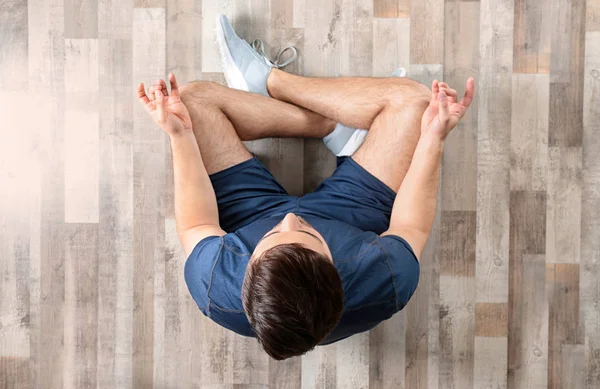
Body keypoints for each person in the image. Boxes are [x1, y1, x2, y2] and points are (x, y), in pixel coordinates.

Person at [135, 14, 475, 361]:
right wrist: (433, 138)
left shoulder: (213, 282)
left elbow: (195, 224)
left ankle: (274, 85)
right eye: (309, 235)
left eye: (271, 238)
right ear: (338, 267)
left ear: (246, 272)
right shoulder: (384, 280)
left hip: (247, 213)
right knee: (417, 105)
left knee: (189, 104)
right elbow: (410, 226)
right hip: (352, 216)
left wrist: (179, 135)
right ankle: (337, 121)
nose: (290, 220)